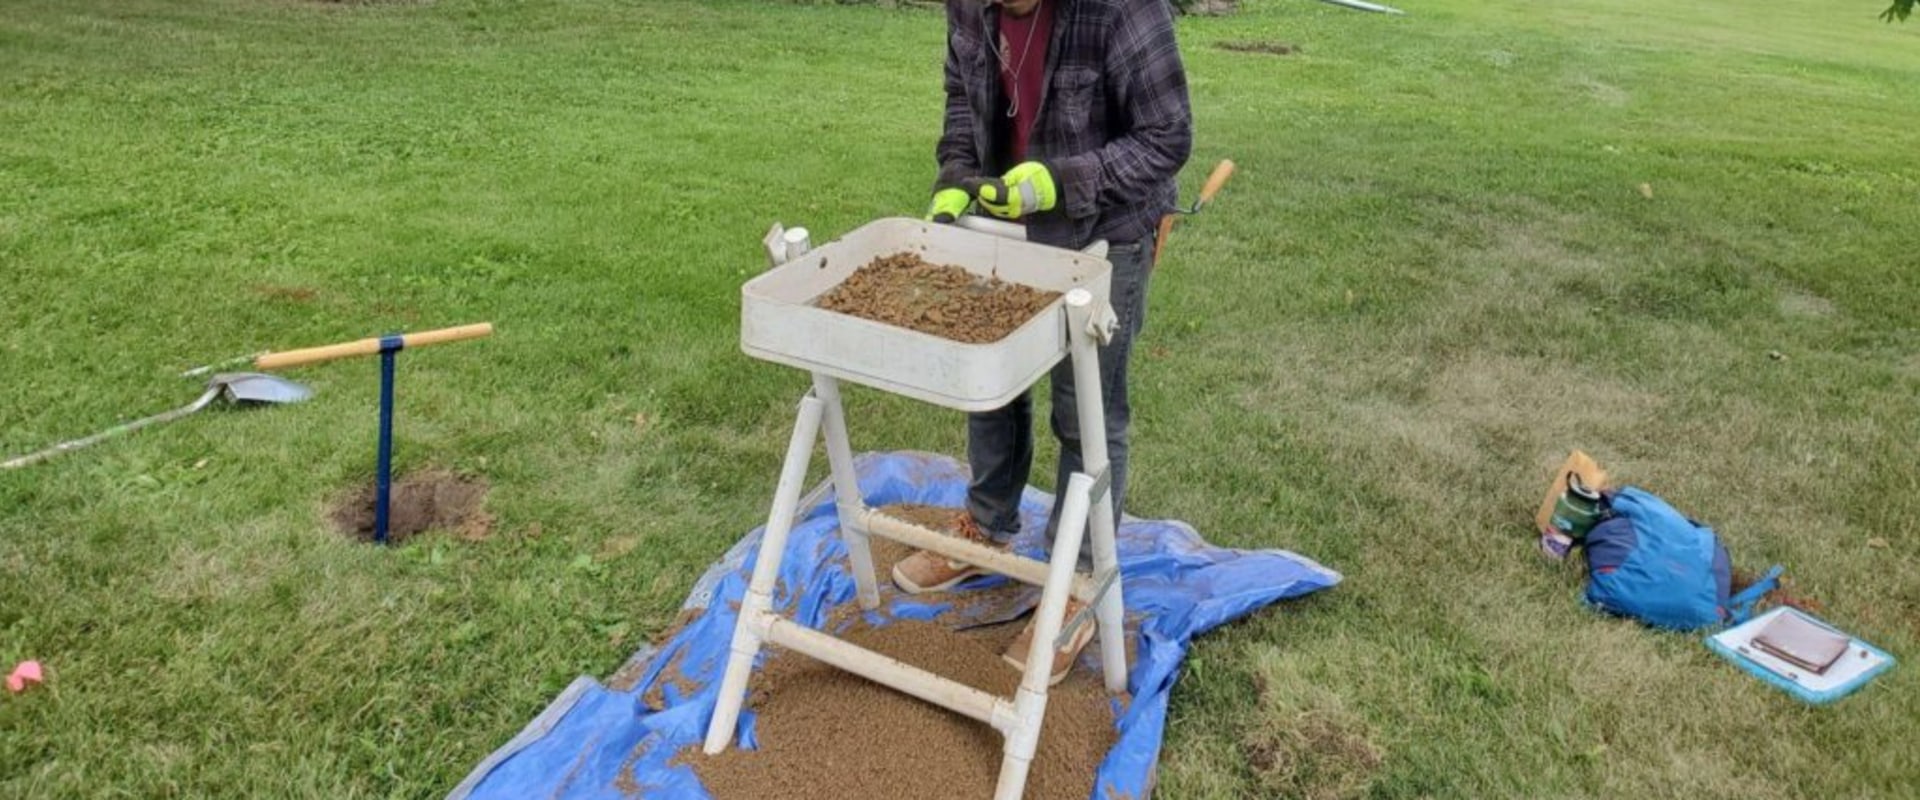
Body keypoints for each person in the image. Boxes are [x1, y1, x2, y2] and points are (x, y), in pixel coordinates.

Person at [893, 0, 1192, 684]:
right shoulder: (971, 5)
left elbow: (1167, 136)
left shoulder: (1122, 9)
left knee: (1087, 412)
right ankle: (987, 525)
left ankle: (1077, 584)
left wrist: (1061, 181)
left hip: (1107, 227)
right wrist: (956, 181)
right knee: (989, 374)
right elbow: (963, 102)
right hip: (1006, 223)